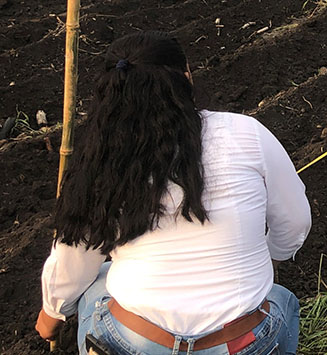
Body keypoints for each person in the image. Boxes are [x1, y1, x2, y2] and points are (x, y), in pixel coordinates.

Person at [35, 31, 311, 355]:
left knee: (96, 282)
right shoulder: (246, 133)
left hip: (134, 343)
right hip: (240, 343)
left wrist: (52, 311)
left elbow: (76, 256)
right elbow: (295, 222)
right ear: (186, 78)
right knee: (280, 299)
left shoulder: (105, 159)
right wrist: (270, 256)